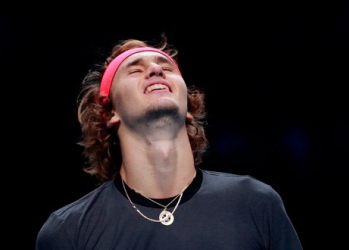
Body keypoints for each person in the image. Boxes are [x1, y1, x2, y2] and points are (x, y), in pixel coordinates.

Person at [35, 35, 303, 250]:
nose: (154, 70)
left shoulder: (255, 203)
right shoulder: (69, 230)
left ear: (188, 106)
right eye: (134, 70)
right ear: (109, 112)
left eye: (165, 68)